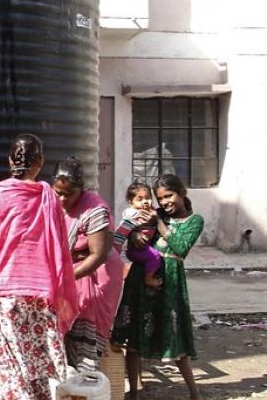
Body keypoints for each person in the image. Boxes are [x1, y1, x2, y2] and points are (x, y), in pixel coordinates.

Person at [0, 134, 79, 400]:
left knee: (11, 376)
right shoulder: (49, 197)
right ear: (40, 162)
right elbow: (59, 247)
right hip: (40, 295)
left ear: (10, 161)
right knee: (39, 375)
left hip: (3, 295)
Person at [112, 174, 204, 400]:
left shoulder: (194, 221)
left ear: (182, 193)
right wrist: (133, 235)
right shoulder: (154, 213)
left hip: (169, 282)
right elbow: (134, 224)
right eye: (161, 198)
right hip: (140, 279)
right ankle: (133, 392)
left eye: (169, 196)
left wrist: (160, 223)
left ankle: (194, 393)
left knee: (174, 335)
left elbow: (180, 247)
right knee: (134, 338)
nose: (164, 202)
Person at [51, 157, 124, 371]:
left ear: (81, 189)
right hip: (71, 270)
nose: (63, 198)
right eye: (58, 192)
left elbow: (97, 256)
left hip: (96, 275)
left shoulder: (95, 210)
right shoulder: (53, 202)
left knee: (85, 334)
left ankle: (87, 379)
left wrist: (64, 277)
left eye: (69, 193)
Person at [113, 182, 162, 287]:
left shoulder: (153, 212)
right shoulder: (133, 216)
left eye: (148, 198)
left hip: (144, 247)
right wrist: (114, 253)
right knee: (155, 257)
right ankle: (148, 279)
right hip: (135, 250)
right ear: (131, 203)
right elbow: (120, 234)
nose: (145, 202)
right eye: (139, 199)